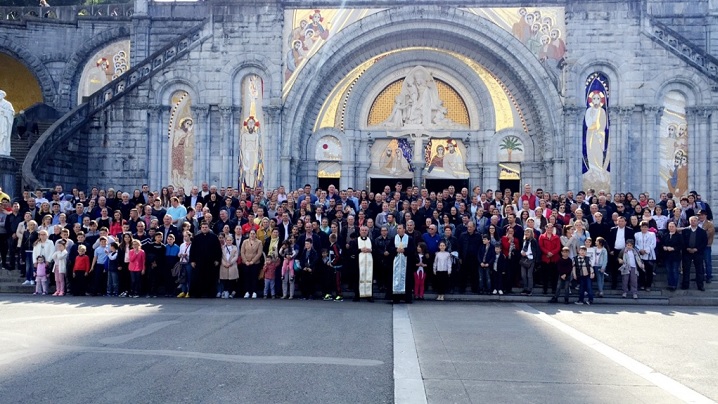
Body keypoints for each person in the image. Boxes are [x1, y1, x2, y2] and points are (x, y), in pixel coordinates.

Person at [190, 222, 221, 298]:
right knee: (199, 278)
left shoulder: (214, 237)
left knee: (210, 278)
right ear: (201, 228)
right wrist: (192, 260)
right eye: (203, 227)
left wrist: (217, 259)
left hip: (210, 262)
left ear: (209, 228)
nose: (204, 228)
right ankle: (198, 293)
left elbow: (218, 249)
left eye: (206, 227)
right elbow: (192, 250)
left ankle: (210, 293)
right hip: (199, 262)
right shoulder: (196, 238)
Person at [681, 216, 708, 291]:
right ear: (689, 221)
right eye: (691, 220)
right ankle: (685, 285)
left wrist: (697, 249)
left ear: (697, 222)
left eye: (694, 220)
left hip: (698, 253)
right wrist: (687, 248)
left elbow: (704, 242)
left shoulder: (702, 231)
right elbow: (682, 241)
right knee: (686, 269)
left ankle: (700, 285)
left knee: (699, 270)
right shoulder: (685, 231)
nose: (693, 222)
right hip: (687, 252)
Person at [391, 224, 415, 303]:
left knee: (407, 280)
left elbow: (412, 249)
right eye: (397, 228)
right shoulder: (394, 238)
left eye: (400, 228)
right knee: (395, 279)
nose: (398, 230)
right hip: (396, 262)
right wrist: (395, 250)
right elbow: (389, 248)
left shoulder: (409, 238)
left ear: (404, 230)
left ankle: (407, 298)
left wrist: (405, 250)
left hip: (406, 263)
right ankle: (396, 298)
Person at [538, 222, 561, 295]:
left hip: (554, 258)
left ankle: (554, 289)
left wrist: (552, 253)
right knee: (545, 276)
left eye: (551, 228)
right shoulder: (542, 236)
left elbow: (558, 247)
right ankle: (545, 290)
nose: (549, 229)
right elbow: (541, 246)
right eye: (548, 227)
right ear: (545, 228)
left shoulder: (556, 237)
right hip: (545, 258)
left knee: (554, 275)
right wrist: (547, 252)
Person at [634, 221, 656, 292]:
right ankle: (642, 284)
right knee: (641, 271)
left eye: (646, 227)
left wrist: (646, 250)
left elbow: (653, 244)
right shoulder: (636, 234)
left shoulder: (652, 234)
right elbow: (635, 244)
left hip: (649, 255)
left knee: (649, 271)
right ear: (640, 227)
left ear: (648, 228)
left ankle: (648, 285)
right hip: (640, 255)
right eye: (643, 227)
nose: (644, 228)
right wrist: (640, 250)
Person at [240, 229, 263, 298]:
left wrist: (252, 261)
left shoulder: (259, 242)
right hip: (246, 263)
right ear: (249, 234)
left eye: (253, 233)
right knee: (247, 278)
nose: (252, 235)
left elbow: (259, 253)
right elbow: (242, 252)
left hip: (255, 263)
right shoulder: (245, 242)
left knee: (254, 278)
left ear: (256, 234)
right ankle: (247, 292)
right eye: (251, 233)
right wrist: (246, 261)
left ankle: (254, 292)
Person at [662, 222, 683, 291]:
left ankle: (674, 285)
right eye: (669, 226)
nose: (671, 228)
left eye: (672, 226)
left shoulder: (679, 236)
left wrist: (673, 248)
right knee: (668, 271)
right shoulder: (665, 235)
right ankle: (670, 284)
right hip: (667, 256)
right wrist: (664, 247)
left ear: (675, 227)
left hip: (675, 256)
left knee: (675, 270)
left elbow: (681, 245)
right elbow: (662, 243)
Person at [355, 226, 374, 302]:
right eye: (362, 230)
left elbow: (375, 250)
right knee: (358, 278)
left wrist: (371, 250)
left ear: (367, 232)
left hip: (369, 263)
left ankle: (369, 295)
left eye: (365, 230)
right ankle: (358, 295)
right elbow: (352, 251)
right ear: (360, 231)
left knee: (369, 277)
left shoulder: (371, 240)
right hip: (358, 264)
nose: (364, 231)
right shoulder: (356, 241)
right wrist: (360, 250)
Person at [219, 234, 239, 299]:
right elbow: (220, 257)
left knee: (232, 280)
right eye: (227, 240)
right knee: (224, 279)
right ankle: (225, 291)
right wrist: (224, 263)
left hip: (232, 265)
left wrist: (230, 263)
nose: (229, 241)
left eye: (230, 240)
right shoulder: (222, 248)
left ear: (232, 241)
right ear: (225, 240)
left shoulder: (235, 247)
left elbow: (236, 256)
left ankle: (231, 292)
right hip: (224, 265)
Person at [519, 228, 538, 295]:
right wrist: (522, 252)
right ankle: (525, 288)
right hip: (524, 259)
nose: (526, 234)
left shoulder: (533, 241)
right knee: (523, 275)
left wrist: (526, 254)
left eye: (528, 232)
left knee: (529, 275)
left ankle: (530, 289)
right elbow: (522, 248)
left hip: (530, 259)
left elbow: (534, 251)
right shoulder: (524, 241)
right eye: (525, 232)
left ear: (531, 233)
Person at [177, 231, 192, 298]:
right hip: (182, 262)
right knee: (182, 277)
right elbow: (179, 253)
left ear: (189, 236)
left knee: (189, 277)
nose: (185, 238)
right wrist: (180, 255)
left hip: (188, 262)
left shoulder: (192, 244)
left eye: (186, 236)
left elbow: (193, 254)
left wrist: (187, 255)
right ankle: (183, 291)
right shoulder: (182, 245)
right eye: (184, 236)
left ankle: (189, 291)